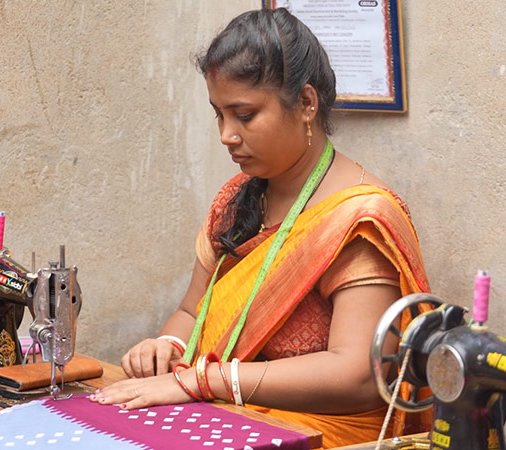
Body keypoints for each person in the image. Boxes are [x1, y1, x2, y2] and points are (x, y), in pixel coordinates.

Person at [90, 8, 432, 448]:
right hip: (226, 414)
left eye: (245, 115)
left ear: (307, 104)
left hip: (324, 435)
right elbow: (192, 313)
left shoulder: (358, 218)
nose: (226, 135)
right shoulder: (237, 200)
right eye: (219, 115)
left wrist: (203, 382)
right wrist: (167, 345)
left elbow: (358, 374)